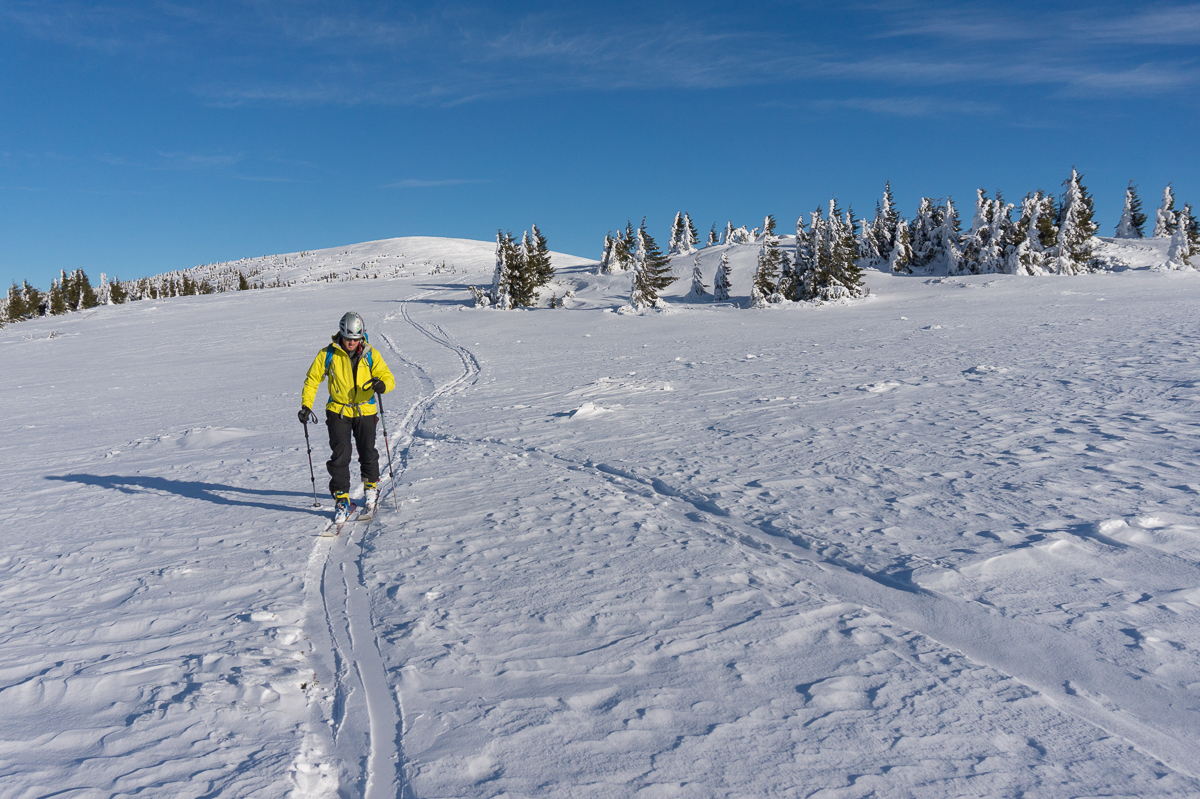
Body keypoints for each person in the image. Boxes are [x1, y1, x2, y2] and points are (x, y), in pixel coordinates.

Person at [298, 311, 396, 522]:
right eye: (348, 338)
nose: (351, 343)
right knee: (340, 455)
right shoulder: (328, 354)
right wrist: (306, 405)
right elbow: (312, 379)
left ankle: (371, 488)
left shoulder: (371, 354)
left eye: (355, 339)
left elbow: (388, 377)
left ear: (361, 337)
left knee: (367, 451)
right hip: (338, 411)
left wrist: (382, 385)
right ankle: (341, 498)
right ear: (341, 334)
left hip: (365, 410)